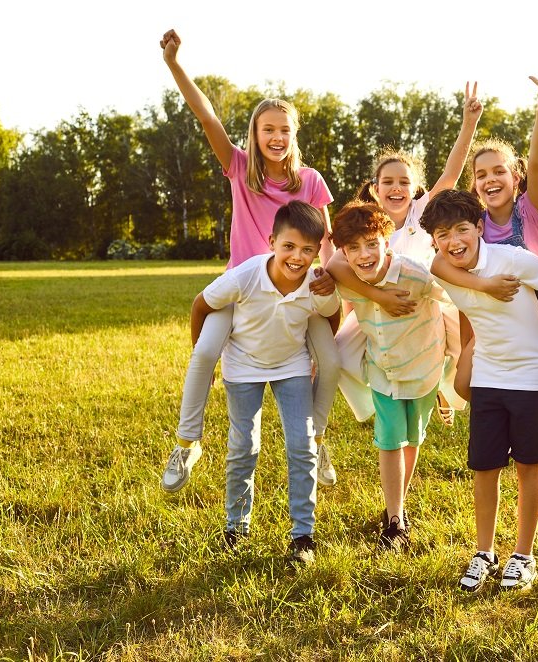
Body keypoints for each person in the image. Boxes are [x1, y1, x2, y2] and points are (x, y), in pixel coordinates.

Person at [156, 29, 341, 495]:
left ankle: (317, 440)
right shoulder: (239, 168)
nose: (276, 137)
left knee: (329, 362)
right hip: (242, 291)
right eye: (268, 129)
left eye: (284, 130)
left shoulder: (311, 180)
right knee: (202, 355)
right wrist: (175, 65)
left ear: (294, 135)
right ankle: (187, 443)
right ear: (255, 136)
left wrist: (326, 280)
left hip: (299, 292)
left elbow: (328, 241)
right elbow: (206, 115)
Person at [420, 189, 538, 593]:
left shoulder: (511, 259)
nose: (454, 241)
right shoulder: (442, 265)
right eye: (443, 234)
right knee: (484, 469)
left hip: (531, 379)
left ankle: (523, 556)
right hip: (488, 377)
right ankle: (484, 552)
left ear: (478, 228)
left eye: (461, 229)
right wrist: (486, 287)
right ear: (434, 240)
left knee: (529, 468)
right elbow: (440, 265)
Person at [430, 55, 538, 468]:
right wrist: (468, 334)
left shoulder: (529, 208)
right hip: (497, 315)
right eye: (481, 174)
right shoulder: (472, 225)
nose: (490, 179)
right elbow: (443, 267)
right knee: (462, 385)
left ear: (515, 176)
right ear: (474, 184)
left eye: (499, 171)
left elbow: (537, 158)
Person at [328, 83, 487, 428]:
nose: (396, 188)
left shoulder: (421, 213)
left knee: (464, 349)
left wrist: (469, 123)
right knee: (339, 353)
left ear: (414, 188)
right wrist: (375, 295)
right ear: (375, 189)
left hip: (425, 301)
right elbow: (336, 264)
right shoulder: (365, 224)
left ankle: (442, 388)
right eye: (388, 182)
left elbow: (452, 172)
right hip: (377, 306)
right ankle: (379, 399)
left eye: (404, 182)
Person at [191, 201, 338, 561]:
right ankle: (235, 527)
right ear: (272, 241)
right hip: (242, 366)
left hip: (292, 366)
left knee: (301, 446)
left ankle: (303, 535)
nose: (297, 257)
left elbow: (330, 320)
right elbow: (200, 304)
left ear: (317, 251)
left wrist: (319, 356)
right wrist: (203, 361)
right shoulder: (245, 275)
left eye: (307, 250)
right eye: (288, 246)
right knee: (244, 446)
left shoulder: (317, 284)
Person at [330, 202, 449, 549]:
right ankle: (396, 521)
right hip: (382, 370)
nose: (364, 254)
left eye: (371, 244)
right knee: (389, 440)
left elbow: (452, 299)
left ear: (387, 242)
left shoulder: (415, 274)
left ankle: (396, 505)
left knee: (412, 439)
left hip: (424, 367)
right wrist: (376, 295)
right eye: (353, 248)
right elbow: (334, 266)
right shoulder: (348, 279)